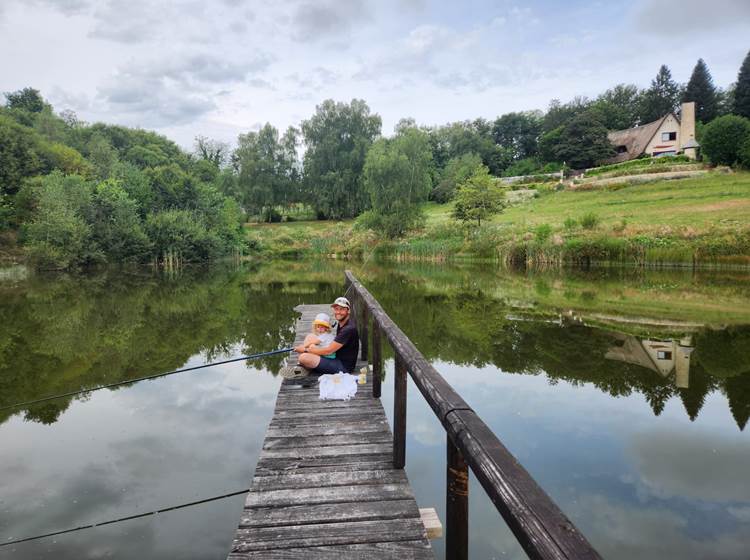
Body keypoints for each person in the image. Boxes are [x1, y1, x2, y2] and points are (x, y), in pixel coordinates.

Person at [294, 296, 359, 374]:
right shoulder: (342, 323)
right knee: (310, 336)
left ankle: (306, 365)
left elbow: (328, 351)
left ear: (348, 311)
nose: (338, 312)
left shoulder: (348, 329)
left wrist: (305, 350)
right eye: (336, 309)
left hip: (343, 366)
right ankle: (308, 364)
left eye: (342, 309)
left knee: (303, 357)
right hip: (335, 355)